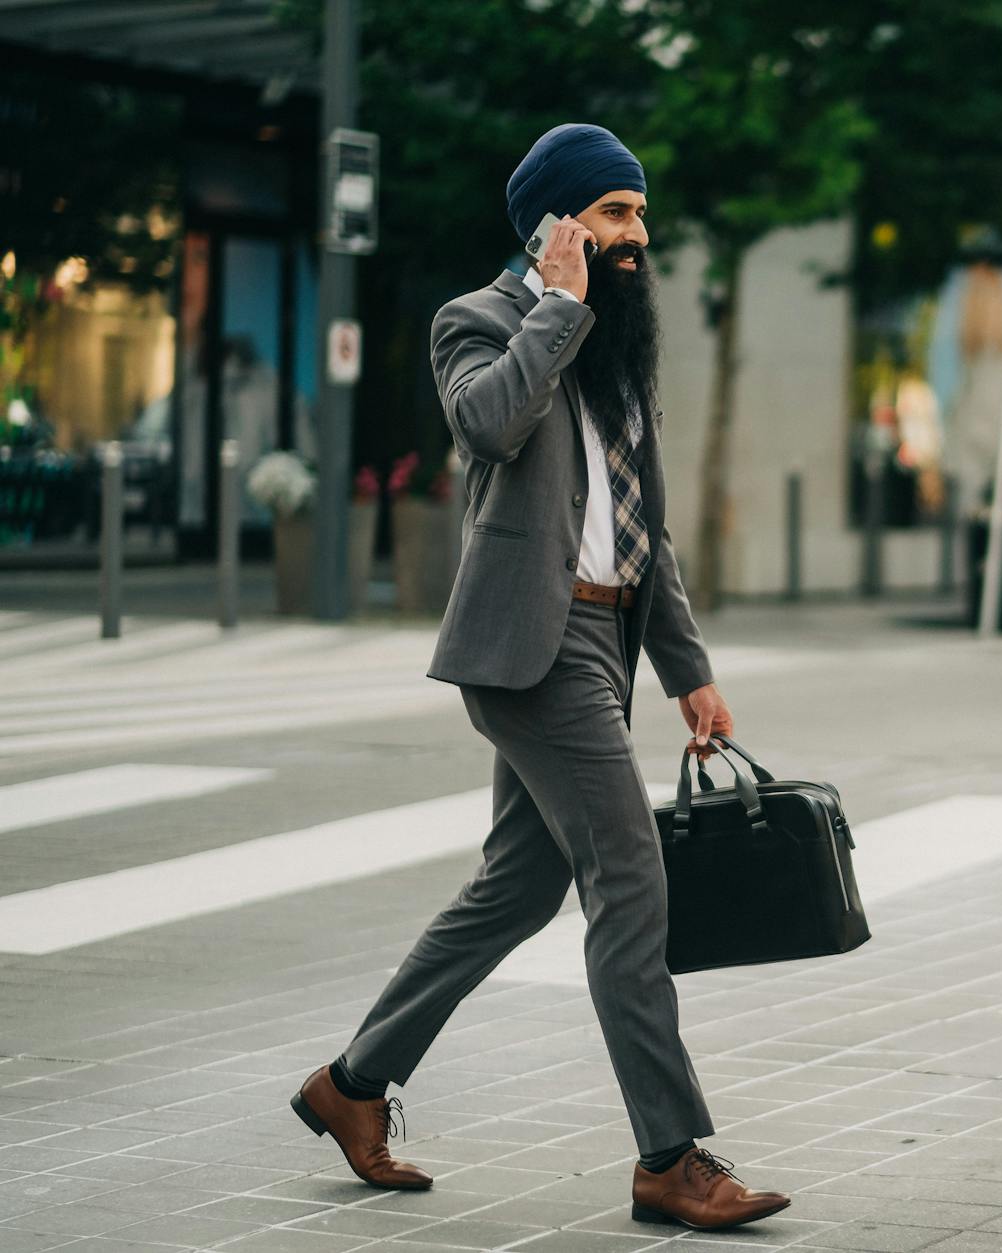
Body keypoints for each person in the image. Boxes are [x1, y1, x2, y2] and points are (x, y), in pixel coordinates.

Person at [287, 124, 790, 1231]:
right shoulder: (480, 319)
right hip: (530, 645)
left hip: (606, 643)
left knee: (517, 885)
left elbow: (642, 524)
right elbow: (485, 424)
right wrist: (556, 307)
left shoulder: (613, 343)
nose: (636, 236)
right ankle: (669, 1152)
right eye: (613, 214)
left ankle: (353, 1083)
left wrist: (687, 670)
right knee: (630, 872)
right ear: (555, 222)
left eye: (639, 215)